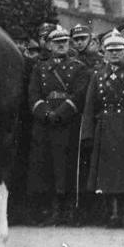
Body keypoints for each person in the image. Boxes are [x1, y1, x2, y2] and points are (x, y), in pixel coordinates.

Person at [81, 30, 124, 228]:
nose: (115, 54)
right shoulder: (98, 76)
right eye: (110, 50)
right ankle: (113, 214)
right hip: (105, 129)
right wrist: (88, 133)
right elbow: (90, 107)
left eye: (118, 50)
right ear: (104, 52)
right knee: (108, 175)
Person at [26, 25, 90, 226]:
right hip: (45, 123)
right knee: (47, 166)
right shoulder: (40, 68)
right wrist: (45, 113)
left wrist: (60, 113)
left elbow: (79, 94)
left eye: (64, 42)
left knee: (67, 166)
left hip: (67, 122)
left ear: (69, 43)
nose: (61, 46)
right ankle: (53, 210)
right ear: (50, 46)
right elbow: (33, 94)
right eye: (57, 43)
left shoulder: (79, 67)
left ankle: (69, 210)